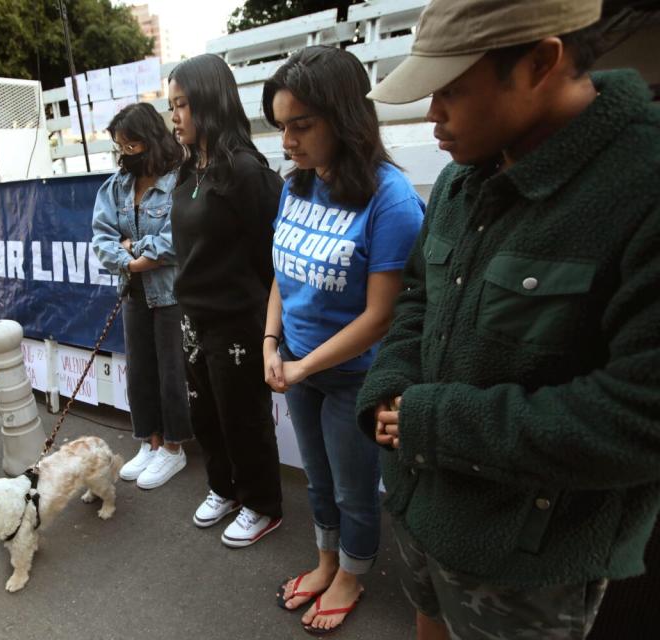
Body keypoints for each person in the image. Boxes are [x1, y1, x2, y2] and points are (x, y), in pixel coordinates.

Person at [356, 0, 660, 638]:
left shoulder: (642, 189)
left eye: (451, 91)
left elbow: (640, 418)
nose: (432, 114)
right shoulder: (464, 176)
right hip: (419, 508)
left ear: (539, 62)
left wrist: (435, 423)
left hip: (524, 564)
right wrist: (389, 387)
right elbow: (416, 296)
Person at [261, 46, 424, 634]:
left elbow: (381, 317)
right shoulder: (296, 185)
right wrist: (271, 341)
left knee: (357, 490)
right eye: (281, 126)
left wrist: (303, 368)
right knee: (317, 479)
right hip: (297, 364)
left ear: (346, 118)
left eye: (301, 125)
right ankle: (326, 562)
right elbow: (283, 270)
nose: (287, 141)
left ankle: (352, 573)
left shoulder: (392, 201)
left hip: (354, 375)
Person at [167, 54, 285, 547]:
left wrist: (262, 323)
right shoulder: (188, 170)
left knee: (242, 415)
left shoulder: (246, 171)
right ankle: (224, 488)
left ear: (210, 103)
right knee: (205, 413)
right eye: (171, 106)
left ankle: (261, 502)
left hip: (238, 319)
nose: (174, 117)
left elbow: (269, 254)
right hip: (194, 317)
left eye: (182, 105)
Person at [91, 102, 192, 489]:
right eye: (120, 147)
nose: (125, 154)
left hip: (170, 294)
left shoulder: (179, 181)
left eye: (131, 146)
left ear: (150, 140)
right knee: (140, 372)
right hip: (132, 291)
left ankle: (173, 448)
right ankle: (149, 442)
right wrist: (132, 259)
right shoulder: (116, 186)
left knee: (172, 373)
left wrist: (133, 251)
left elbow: (175, 241)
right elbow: (102, 237)